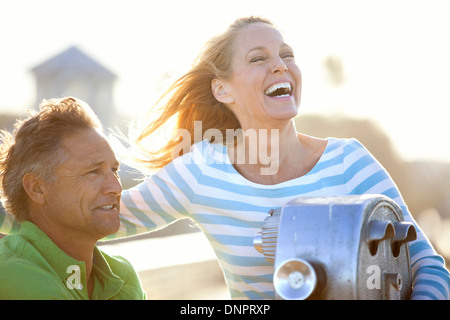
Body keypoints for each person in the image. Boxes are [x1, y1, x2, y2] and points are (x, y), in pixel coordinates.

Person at [1, 17, 449, 300]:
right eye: (259, 58)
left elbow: (426, 263)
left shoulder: (351, 162)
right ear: (223, 90)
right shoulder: (202, 171)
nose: (280, 65)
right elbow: (94, 215)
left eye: (287, 55)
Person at [0, 97, 146, 300]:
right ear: (37, 188)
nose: (116, 187)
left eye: (114, 170)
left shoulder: (122, 274)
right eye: (93, 172)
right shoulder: (15, 277)